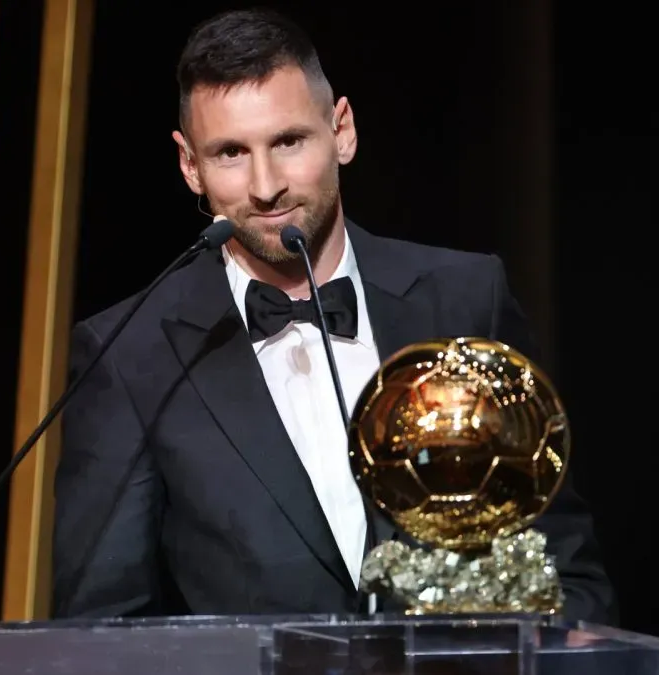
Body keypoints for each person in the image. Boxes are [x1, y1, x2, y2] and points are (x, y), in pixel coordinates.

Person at [50, 8, 616, 624]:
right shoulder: (129, 354)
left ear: (341, 130)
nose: (265, 186)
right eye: (231, 153)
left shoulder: (463, 296)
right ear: (191, 166)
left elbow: (562, 565)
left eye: (288, 142)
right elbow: (101, 630)